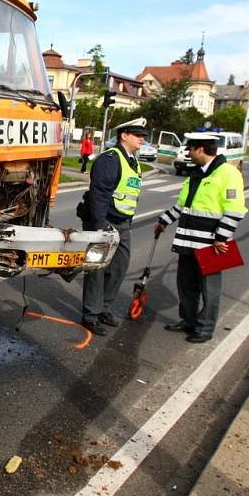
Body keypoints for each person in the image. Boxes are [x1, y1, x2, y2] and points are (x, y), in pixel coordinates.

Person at [155, 133, 247, 343]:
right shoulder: (196, 174)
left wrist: (221, 237)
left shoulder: (228, 173)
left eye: (190, 149)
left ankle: (204, 328)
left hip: (211, 244)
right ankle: (188, 321)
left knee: (210, 290)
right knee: (186, 285)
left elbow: (235, 209)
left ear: (200, 150)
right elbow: (183, 205)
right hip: (188, 241)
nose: (188, 153)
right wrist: (163, 221)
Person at [77, 118, 147, 336]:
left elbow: (130, 196)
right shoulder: (110, 159)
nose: (142, 138)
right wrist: (99, 226)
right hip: (103, 222)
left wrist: (128, 222)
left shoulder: (133, 161)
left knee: (119, 267)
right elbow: (99, 193)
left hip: (122, 223)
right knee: (97, 270)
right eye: (137, 134)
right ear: (124, 135)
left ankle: (104, 308)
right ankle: (91, 315)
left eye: (142, 135)